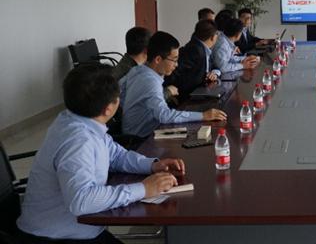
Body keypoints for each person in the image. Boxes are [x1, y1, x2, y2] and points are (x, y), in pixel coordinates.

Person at [16, 64, 184, 244]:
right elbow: (81, 200)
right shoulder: (78, 141)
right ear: (109, 109)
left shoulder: (79, 120)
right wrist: (143, 189)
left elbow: (116, 155)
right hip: (54, 236)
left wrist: (152, 165)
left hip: (76, 228)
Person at [120, 31, 227, 138]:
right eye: (174, 60)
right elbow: (164, 116)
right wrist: (204, 116)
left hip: (137, 131)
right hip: (142, 139)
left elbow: (121, 96)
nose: (176, 65)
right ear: (158, 59)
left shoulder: (137, 70)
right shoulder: (150, 81)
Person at [112, 27, 178, 101]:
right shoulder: (132, 74)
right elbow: (143, 101)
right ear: (147, 50)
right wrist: (168, 92)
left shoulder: (125, 64)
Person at [166, 20, 221, 99]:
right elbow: (176, 72)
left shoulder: (204, 48)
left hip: (200, 91)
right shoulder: (195, 50)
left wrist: (214, 73)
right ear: (213, 37)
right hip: (188, 96)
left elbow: (215, 66)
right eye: (217, 34)